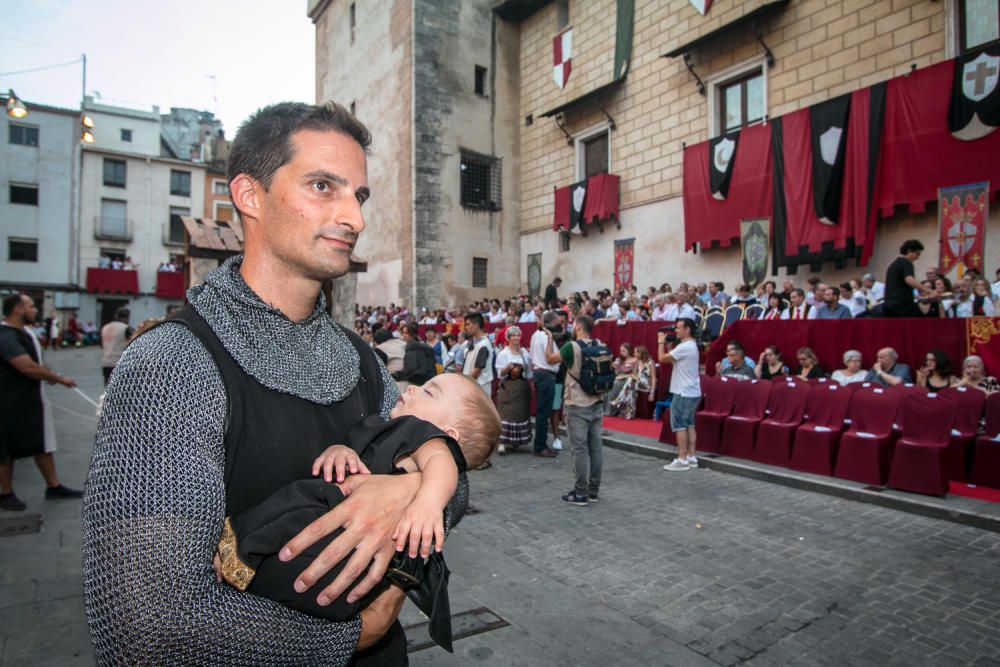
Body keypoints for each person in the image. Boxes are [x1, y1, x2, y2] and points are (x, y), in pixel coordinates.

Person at [83, 102, 468, 664]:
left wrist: (410, 493)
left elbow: (455, 461)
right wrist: (353, 635)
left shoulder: (358, 358)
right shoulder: (170, 365)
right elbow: (149, 624)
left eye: (358, 196)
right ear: (249, 195)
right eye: (322, 186)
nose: (355, 219)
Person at [218, 373, 500, 651]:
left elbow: (446, 467)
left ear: (448, 435)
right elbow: (365, 454)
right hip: (334, 548)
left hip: (344, 551)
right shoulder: (394, 428)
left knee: (296, 511)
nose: (413, 388)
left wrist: (427, 502)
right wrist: (343, 451)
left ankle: (237, 549)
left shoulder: (423, 434)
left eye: (429, 392)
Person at [0, 294, 82, 512]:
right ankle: (5, 492)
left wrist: (49, 373)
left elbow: (37, 362)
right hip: (8, 399)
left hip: (30, 397)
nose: (35, 309)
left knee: (43, 442)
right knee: (5, 445)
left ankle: (53, 485)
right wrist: (59, 379)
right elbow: (26, 366)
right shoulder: (5, 335)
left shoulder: (25, 332)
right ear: (18, 309)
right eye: (31, 306)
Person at [559, 315, 606, 505]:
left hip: (578, 402)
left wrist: (548, 339)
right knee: (596, 449)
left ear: (578, 327)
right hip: (596, 400)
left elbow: (550, 359)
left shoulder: (571, 346)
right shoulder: (599, 343)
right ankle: (593, 491)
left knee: (579, 450)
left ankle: (580, 492)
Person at [658, 318, 701, 471]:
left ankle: (682, 459)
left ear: (687, 329)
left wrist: (660, 343)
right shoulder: (689, 346)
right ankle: (691, 456)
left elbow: (662, 359)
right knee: (689, 424)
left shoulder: (685, 347)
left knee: (680, 425)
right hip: (691, 391)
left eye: (679, 328)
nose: (676, 330)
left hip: (683, 392)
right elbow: (675, 361)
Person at [494, 326, 533, 454]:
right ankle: (502, 443)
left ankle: (516, 441)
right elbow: (499, 373)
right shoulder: (503, 354)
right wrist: (506, 368)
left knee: (519, 414)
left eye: (518, 335)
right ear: (508, 338)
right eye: (513, 335)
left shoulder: (524, 353)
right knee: (505, 415)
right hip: (508, 387)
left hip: (521, 387)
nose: (516, 338)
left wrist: (529, 384)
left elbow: (529, 372)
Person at [529, 311, 562, 458]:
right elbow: (551, 358)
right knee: (544, 412)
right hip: (546, 374)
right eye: (557, 322)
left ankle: (541, 444)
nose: (559, 325)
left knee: (543, 411)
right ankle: (540, 446)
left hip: (540, 373)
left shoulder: (536, 335)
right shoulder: (545, 337)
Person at [883, 240, 936, 317]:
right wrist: (929, 291)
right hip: (902, 305)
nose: (918, 257)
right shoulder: (907, 263)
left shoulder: (893, 265)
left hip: (889, 304)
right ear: (909, 251)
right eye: (917, 254)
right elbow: (909, 280)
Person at [610, 345, 656, 420]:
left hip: (646, 384)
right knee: (630, 391)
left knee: (631, 380)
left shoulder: (650, 362)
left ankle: (619, 400)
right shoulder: (637, 362)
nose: (634, 354)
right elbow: (634, 374)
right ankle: (630, 414)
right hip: (636, 382)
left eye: (635, 352)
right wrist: (623, 370)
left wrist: (652, 392)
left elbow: (653, 378)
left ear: (640, 353)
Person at [461, 312, 494, 400]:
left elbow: (477, 371)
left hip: (480, 388)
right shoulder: (472, 344)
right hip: (471, 386)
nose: (466, 327)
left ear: (476, 325)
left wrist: (462, 384)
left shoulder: (484, 345)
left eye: (468, 324)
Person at [393, 322, 437, 387]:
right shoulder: (422, 346)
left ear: (413, 334)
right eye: (403, 333)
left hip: (417, 381)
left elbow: (410, 371)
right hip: (428, 380)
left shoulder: (413, 347)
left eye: (406, 333)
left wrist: (396, 375)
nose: (404, 335)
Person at [100, 307, 131, 385]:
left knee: (108, 390)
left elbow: (101, 344)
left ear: (116, 316)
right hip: (120, 365)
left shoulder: (105, 327)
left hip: (106, 364)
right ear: (127, 317)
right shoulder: (126, 328)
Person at [607, 343, 637, 414]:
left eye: (623, 351)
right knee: (609, 384)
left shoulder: (634, 360)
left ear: (629, 351)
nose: (621, 353)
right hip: (619, 377)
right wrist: (616, 367)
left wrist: (624, 375)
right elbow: (617, 373)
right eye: (620, 351)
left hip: (629, 379)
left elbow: (635, 374)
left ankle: (614, 409)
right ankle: (610, 409)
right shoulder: (619, 360)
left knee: (615, 384)